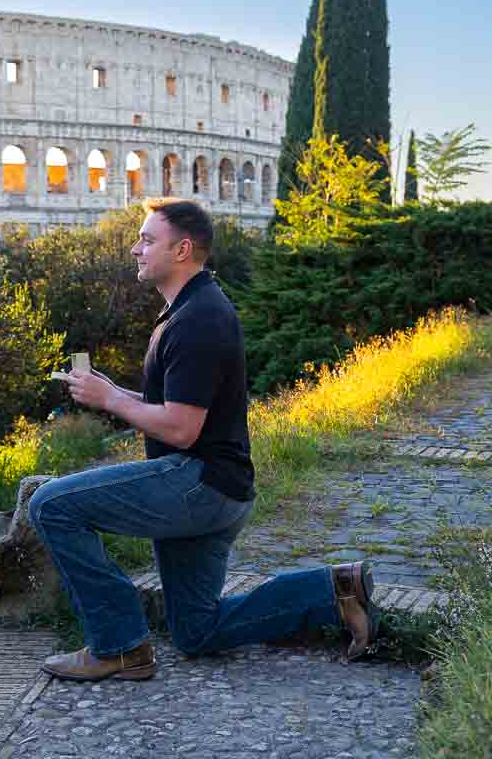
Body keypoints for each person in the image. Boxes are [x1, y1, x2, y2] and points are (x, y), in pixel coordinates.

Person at [28, 198, 378, 681]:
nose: (135, 248)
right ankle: (335, 591)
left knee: (51, 505)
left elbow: (181, 429)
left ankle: (119, 645)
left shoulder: (198, 320)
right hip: (215, 487)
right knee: (197, 630)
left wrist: (111, 403)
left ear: (183, 249)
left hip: (199, 485)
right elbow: (178, 409)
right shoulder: (187, 311)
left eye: (148, 240)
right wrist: (110, 392)